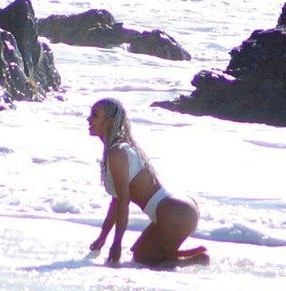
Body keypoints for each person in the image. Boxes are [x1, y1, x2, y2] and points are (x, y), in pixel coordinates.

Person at [86, 97, 208, 265]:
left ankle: (198, 260)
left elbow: (123, 201)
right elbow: (116, 202)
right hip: (177, 209)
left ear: (110, 121)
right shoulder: (119, 148)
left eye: (95, 115)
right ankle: (190, 253)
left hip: (174, 212)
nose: (88, 119)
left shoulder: (117, 152)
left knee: (143, 259)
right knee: (137, 251)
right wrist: (102, 237)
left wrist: (116, 244)